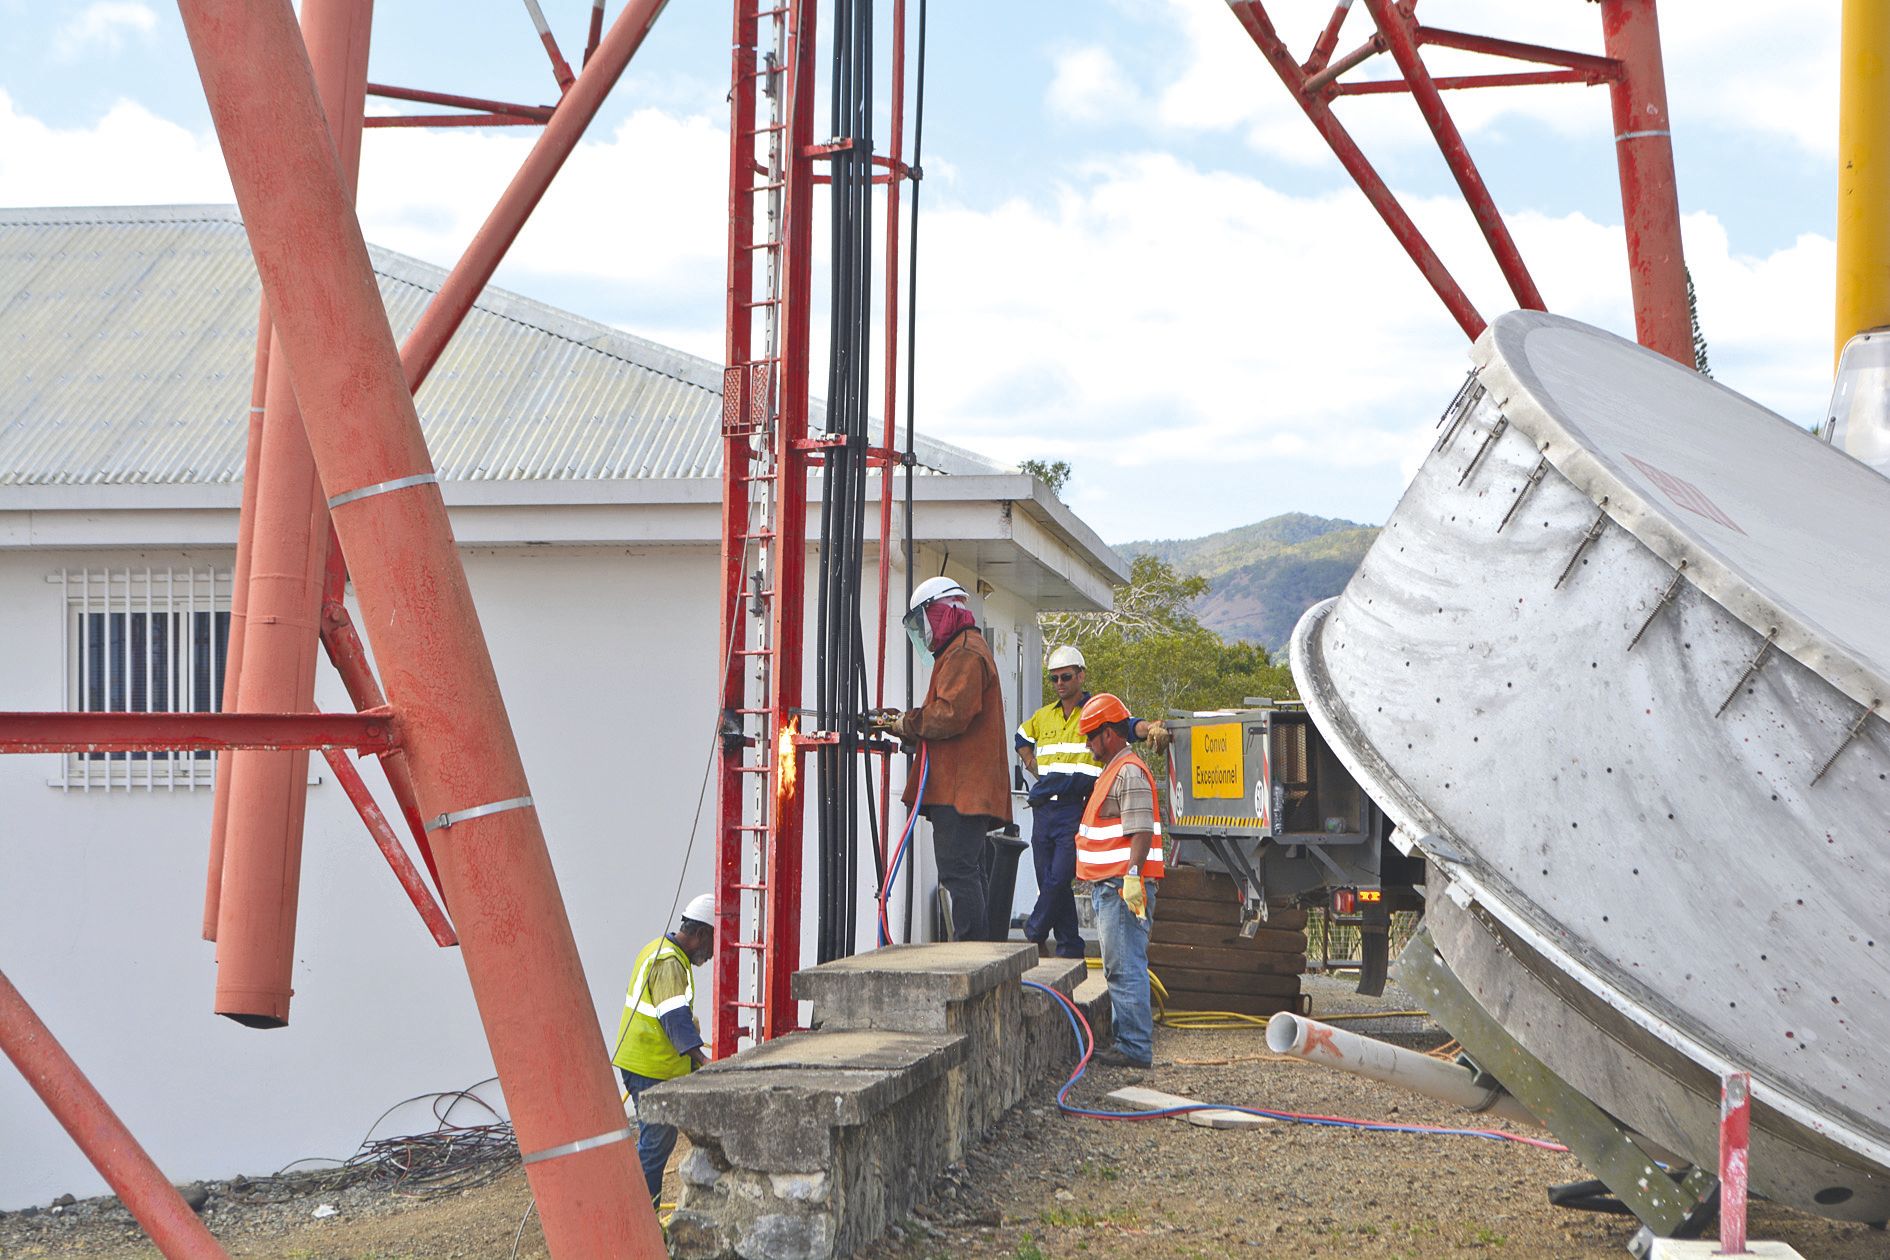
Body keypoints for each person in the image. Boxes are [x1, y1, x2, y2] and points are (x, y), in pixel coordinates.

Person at [873, 576, 1012, 942]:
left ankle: (969, 955)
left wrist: (908, 721)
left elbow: (950, 715)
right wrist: (905, 726)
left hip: (961, 790)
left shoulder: (965, 652)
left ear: (945, 612)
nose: (927, 631)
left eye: (927, 620)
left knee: (957, 871)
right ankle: (977, 952)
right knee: (969, 869)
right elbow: (949, 719)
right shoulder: (959, 650)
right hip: (963, 786)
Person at [1015, 647, 1168, 960]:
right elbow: (1021, 738)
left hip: (1076, 806)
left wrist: (1150, 728)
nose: (1060, 683)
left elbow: (1129, 725)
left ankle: (1034, 933)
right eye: (1054, 678)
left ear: (1081, 675)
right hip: (1045, 807)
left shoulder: (1096, 710)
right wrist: (1033, 766)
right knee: (1048, 879)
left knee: (1059, 877)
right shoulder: (1044, 716)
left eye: (1066, 676)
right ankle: (1070, 946)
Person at [1075, 693, 1165, 1068]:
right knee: (1119, 965)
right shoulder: (1115, 769)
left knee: (1124, 965)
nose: (1088, 744)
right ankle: (1127, 1041)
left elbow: (1141, 829)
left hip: (1122, 888)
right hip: (1111, 887)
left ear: (1109, 733)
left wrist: (1131, 875)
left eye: (1091, 736)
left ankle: (1134, 1047)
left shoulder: (1128, 771)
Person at [610, 893, 716, 1204]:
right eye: (713, 944)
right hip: (649, 1067)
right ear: (700, 935)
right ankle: (642, 1226)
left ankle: (639, 1220)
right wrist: (703, 1060)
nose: (712, 954)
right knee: (655, 1147)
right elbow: (673, 1018)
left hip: (650, 1064)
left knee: (658, 1142)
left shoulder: (660, 951)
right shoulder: (669, 962)